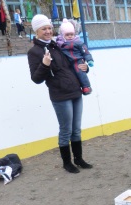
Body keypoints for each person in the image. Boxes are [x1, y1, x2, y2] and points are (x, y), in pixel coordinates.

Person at [27, 14, 93, 174]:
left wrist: (85, 67)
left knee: (76, 129)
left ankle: (78, 159)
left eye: (50, 28)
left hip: (75, 91)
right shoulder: (34, 51)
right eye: (44, 29)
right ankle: (67, 162)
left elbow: (74, 62)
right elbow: (36, 79)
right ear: (37, 30)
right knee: (66, 130)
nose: (48, 31)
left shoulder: (58, 45)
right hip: (60, 95)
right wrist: (44, 64)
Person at [56, 19, 94, 95]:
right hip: (67, 62)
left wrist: (89, 60)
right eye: (67, 35)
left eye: (71, 34)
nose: (70, 36)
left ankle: (86, 87)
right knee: (71, 75)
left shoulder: (78, 42)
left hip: (77, 60)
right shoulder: (60, 44)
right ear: (63, 35)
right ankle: (75, 88)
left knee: (80, 72)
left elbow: (85, 51)